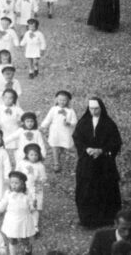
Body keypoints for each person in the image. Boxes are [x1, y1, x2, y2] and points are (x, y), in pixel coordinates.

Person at [73, 97, 122, 228]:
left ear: (101, 108)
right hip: (87, 162)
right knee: (86, 189)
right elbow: (77, 138)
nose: (93, 111)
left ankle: (107, 219)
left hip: (104, 164)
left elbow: (116, 142)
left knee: (106, 188)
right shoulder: (83, 122)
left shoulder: (109, 124)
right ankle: (88, 220)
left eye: (96, 108)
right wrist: (87, 149)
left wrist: (102, 150)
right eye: (91, 108)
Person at [40, 90, 77, 173]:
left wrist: (69, 123)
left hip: (66, 132)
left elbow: (75, 122)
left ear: (68, 101)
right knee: (55, 145)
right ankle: (56, 163)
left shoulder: (71, 111)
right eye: (60, 100)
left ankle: (67, 156)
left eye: (64, 100)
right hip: (55, 132)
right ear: (56, 100)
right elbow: (48, 119)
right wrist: (43, 126)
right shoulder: (53, 109)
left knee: (65, 145)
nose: (62, 102)